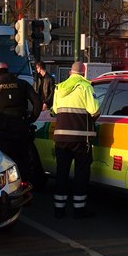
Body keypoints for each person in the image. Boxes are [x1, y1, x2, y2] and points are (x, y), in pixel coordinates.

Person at [0, 62, 41, 183]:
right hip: (21, 132)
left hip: (1, 134)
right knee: (23, 162)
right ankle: (23, 188)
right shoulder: (23, 84)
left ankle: (7, 189)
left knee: (3, 164)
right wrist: (29, 120)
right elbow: (37, 103)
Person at [51, 61, 100, 219]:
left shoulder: (59, 88)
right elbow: (95, 111)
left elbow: (54, 111)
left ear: (70, 73)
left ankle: (59, 208)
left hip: (61, 138)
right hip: (80, 139)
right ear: (83, 73)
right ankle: (79, 209)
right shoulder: (86, 87)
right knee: (81, 174)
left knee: (62, 173)